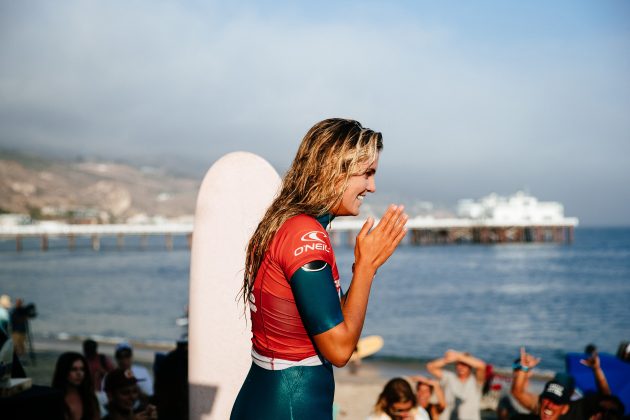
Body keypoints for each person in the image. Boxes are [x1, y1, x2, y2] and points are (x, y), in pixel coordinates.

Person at [230, 118, 408, 419]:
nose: (372, 187)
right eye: (367, 174)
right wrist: (365, 268)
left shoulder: (288, 222)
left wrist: (368, 266)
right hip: (291, 404)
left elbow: (327, 316)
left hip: (268, 396)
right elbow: (339, 350)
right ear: (335, 171)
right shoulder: (306, 236)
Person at [511, 347, 618, 420]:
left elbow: (607, 399)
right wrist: (524, 368)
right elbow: (517, 393)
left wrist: (597, 370)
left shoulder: (580, 409)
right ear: (541, 399)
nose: (549, 406)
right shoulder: (540, 407)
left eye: (556, 402)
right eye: (547, 398)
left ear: (565, 405)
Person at [426, 349, 487, 420]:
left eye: (464, 364)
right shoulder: (449, 377)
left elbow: (482, 366)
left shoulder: (476, 381)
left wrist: (458, 356)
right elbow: (430, 367)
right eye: (459, 364)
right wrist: (447, 360)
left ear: (470, 366)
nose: (461, 367)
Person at [51, 351, 101, 420]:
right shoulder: (54, 399)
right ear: (64, 371)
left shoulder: (89, 397)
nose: (79, 373)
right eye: (74, 369)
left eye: (82, 369)